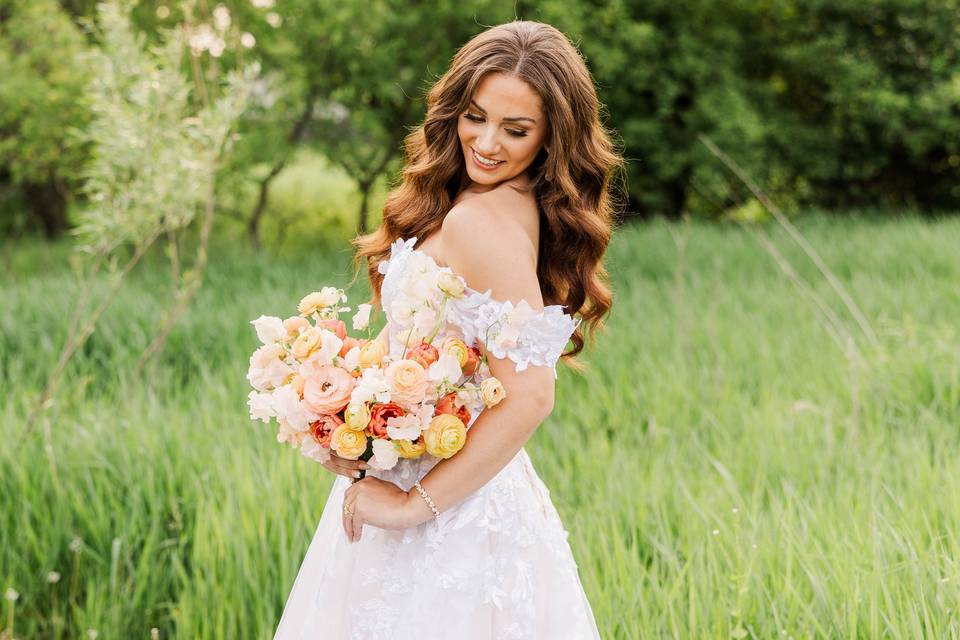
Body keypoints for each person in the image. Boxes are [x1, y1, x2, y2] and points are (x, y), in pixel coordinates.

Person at [274, 19, 622, 639]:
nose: (487, 143)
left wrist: (412, 506)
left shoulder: (480, 222)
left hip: (442, 506)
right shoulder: (501, 204)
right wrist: (348, 413)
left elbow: (531, 395)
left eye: (516, 130)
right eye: (475, 116)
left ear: (551, 138)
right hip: (448, 476)